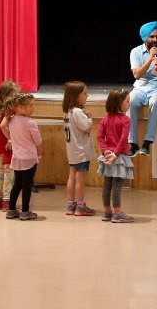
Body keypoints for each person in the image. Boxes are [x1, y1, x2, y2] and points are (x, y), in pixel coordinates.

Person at [128, 20, 157, 157]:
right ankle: (133, 143)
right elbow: (136, 75)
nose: (155, 39)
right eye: (152, 37)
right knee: (130, 101)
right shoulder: (135, 52)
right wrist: (149, 59)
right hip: (140, 88)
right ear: (145, 38)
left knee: (155, 102)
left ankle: (147, 142)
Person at [1, 92, 43, 220]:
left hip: (17, 158)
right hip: (29, 158)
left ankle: (11, 210)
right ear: (19, 108)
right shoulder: (31, 122)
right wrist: (40, 153)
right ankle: (25, 211)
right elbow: (38, 141)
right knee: (27, 185)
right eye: (30, 105)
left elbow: (2, 126)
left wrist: (10, 138)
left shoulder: (12, 120)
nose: (32, 108)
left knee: (17, 184)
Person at [97, 88, 135, 223]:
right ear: (119, 102)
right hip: (118, 157)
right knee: (117, 186)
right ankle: (117, 213)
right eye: (127, 101)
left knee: (107, 185)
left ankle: (107, 212)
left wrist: (106, 150)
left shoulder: (105, 118)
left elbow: (100, 137)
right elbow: (123, 139)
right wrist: (115, 154)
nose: (129, 104)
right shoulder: (125, 120)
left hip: (108, 156)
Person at [62, 81, 96, 216]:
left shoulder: (67, 112)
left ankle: (71, 204)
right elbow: (87, 127)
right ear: (76, 96)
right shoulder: (77, 112)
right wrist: (90, 118)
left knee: (72, 177)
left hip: (72, 150)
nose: (87, 96)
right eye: (85, 93)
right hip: (80, 150)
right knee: (80, 178)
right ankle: (80, 205)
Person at [0, 79, 20, 211]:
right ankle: (7, 201)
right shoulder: (9, 110)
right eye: (14, 95)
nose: (16, 98)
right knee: (9, 174)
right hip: (8, 146)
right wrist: (11, 139)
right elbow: (3, 127)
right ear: (7, 95)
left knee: (0, 173)